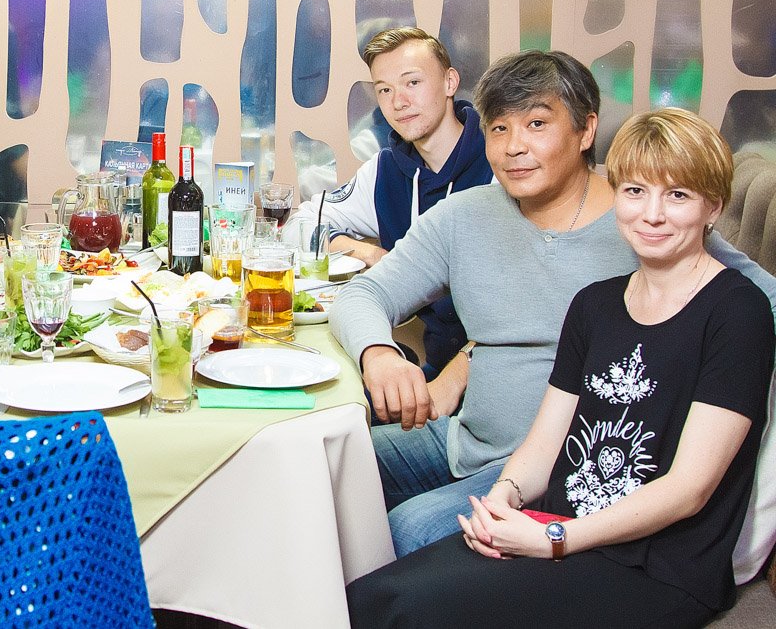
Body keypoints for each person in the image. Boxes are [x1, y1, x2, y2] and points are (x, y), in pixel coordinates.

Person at [330, 50, 776, 558]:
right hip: (464, 437)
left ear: (586, 130)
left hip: (559, 466)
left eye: (537, 124)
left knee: (409, 531)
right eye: (499, 129)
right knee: (320, 467)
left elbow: (752, 302)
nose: (514, 146)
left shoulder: (644, 219)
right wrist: (379, 353)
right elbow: (364, 293)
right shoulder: (463, 217)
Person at [285, 27, 493, 377]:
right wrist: (364, 252)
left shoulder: (501, 162)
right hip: (432, 368)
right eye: (384, 89)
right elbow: (298, 225)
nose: (398, 102)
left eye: (412, 82)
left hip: (498, 373)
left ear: (450, 82)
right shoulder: (386, 171)